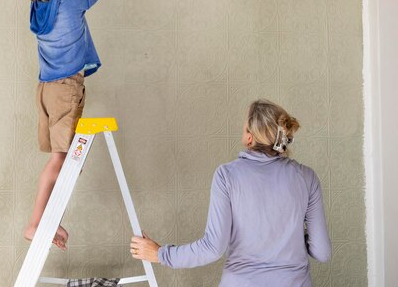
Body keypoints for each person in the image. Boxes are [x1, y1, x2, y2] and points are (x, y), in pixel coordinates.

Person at [131, 99, 331, 287]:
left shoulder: (227, 175)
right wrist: (290, 235)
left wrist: (160, 254)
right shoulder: (307, 177)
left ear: (249, 137)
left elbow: (212, 248)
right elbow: (322, 252)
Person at [21, 0, 112, 250]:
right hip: (65, 90)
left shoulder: (40, 3)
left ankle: (45, 218)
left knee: (64, 159)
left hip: (46, 90)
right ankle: (37, 222)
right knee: (65, 160)